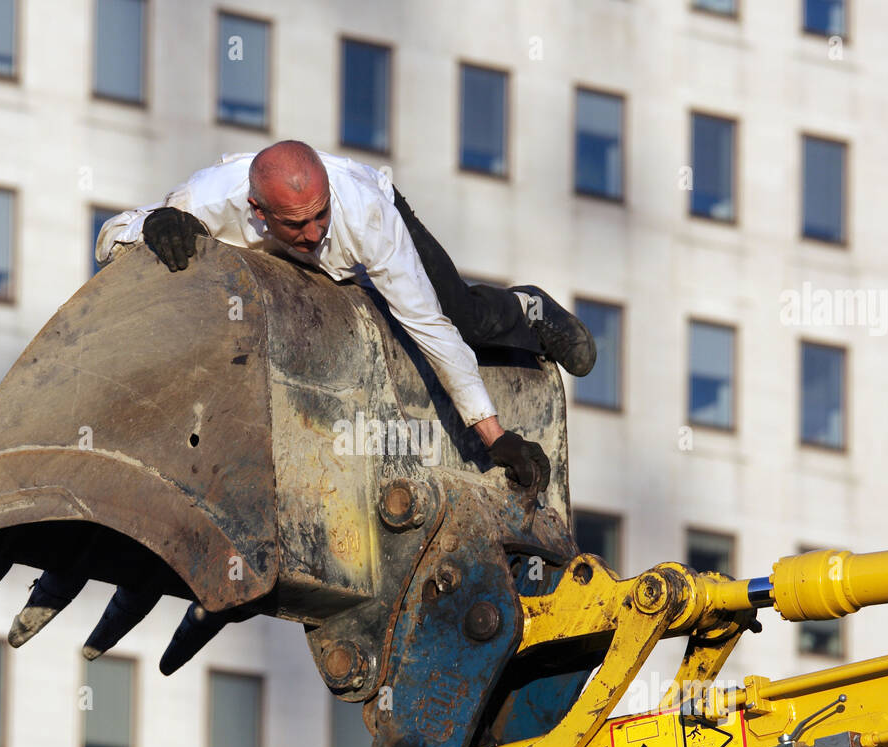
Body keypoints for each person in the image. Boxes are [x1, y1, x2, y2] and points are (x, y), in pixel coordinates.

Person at [96, 140, 596, 491]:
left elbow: (430, 329)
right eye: (297, 223)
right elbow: (110, 238)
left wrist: (495, 437)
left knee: (462, 319)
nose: (314, 234)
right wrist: (152, 228)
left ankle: (526, 309)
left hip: (377, 226)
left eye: (320, 215)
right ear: (257, 209)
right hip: (280, 257)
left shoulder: (366, 215)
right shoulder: (207, 198)